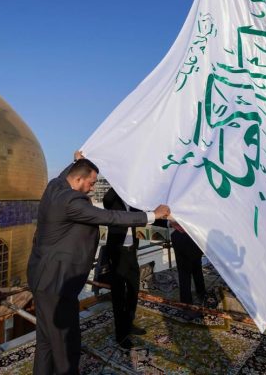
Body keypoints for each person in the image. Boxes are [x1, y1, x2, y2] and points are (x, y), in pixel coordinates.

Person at [26, 152, 170, 375]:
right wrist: (153, 215)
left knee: (46, 341)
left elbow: (67, 175)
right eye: (91, 183)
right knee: (66, 346)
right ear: (79, 179)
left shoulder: (55, 186)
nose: (93, 188)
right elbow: (111, 217)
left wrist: (76, 161)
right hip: (57, 283)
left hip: (42, 277)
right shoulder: (71, 201)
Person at [103, 187, 146, 349]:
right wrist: (117, 183)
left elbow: (143, 217)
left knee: (134, 290)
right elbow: (107, 200)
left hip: (131, 252)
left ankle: (129, 323)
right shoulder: (112, 199)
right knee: (119, 295)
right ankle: (120, 334)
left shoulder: (133, 201)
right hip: (117, 253)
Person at [170, 221, 206, 305]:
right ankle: (201, 292)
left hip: (182, 235)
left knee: (184, 272)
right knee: (197, 267)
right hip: (196, 234)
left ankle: (186, 302)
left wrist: (171, 223)